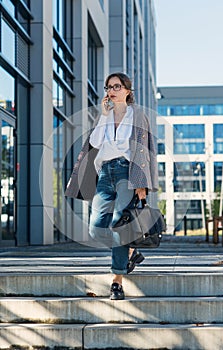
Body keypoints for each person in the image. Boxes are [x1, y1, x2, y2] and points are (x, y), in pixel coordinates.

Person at [65, 72, 158, 300]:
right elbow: (95, 143)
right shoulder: (104, 115)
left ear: (128, 90)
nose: (111, 90)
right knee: (96, 228)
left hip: (127, 172)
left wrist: (141, 183)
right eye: (108, 87)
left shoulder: (138, 115)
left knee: (119, 225)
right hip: (105, 171)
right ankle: (131, 251)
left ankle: (116, 281)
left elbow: (143, 149)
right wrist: (104, 115)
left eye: (116, 86)